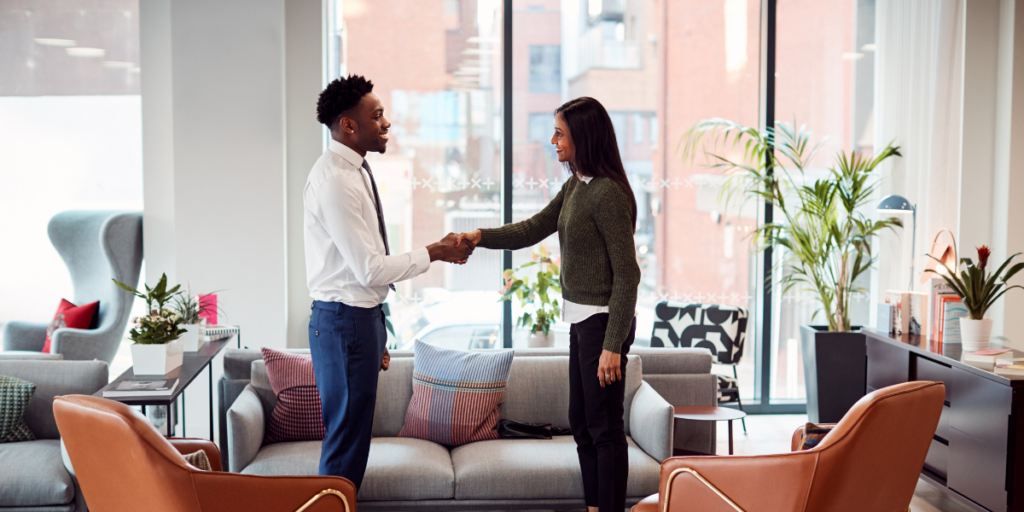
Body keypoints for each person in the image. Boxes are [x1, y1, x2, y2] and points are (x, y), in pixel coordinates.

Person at [456, 96, 640, 512]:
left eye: (560, 132)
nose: (552, 140)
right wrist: (480, 236)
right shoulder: (577, 185)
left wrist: (612, 344)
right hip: (582, 323)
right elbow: (534, 227)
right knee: (582, 424)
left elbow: (627, 274)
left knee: (605, 429)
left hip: (603, 323)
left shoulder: (607, 194)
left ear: (583, 137)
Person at [303, 75, 474, 489]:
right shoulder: (336, 182)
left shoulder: (355, 169)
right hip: (344, 323)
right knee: (345, 446)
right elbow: (370, 269)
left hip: (357, 322)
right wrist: (435, 252)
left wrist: (376, 332)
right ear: (348, 125)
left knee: (354, 442)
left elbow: (363, 276)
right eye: (377, 115)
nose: (387, 123)